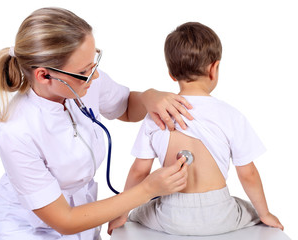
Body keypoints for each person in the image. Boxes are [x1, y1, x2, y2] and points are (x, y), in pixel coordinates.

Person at [0, 7, 192, 240]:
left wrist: (149, 97)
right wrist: (147, 190)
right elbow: (64, 221)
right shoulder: (15, 131)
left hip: (81, 219)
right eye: (84, 71)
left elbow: (125, 107)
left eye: (95, 63)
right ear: (44, 75)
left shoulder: (84, 83)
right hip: (29, 229)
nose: (94, 76)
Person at [108, 22, 283, 236]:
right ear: (213, 68)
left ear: (171, 74)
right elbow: (248, 174)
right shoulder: (230, 115)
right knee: (249, 210)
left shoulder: (156, 116)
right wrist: (264, 214)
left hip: (170, 215)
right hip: (220, 213)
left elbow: (139, 171)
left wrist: (122, 214)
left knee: (138, 214)